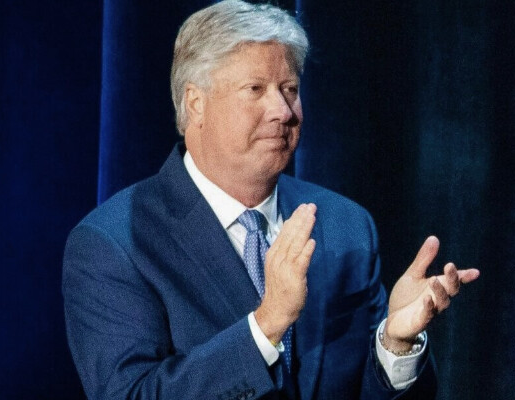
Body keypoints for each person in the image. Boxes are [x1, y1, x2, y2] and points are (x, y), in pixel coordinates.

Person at [62, 1, 479, 399]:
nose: (282, 110)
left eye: (289, 89)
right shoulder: (113, 243)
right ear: (196, 103)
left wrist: (395, 344)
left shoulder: (345, 225)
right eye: (255, 89)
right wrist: (265, 326)